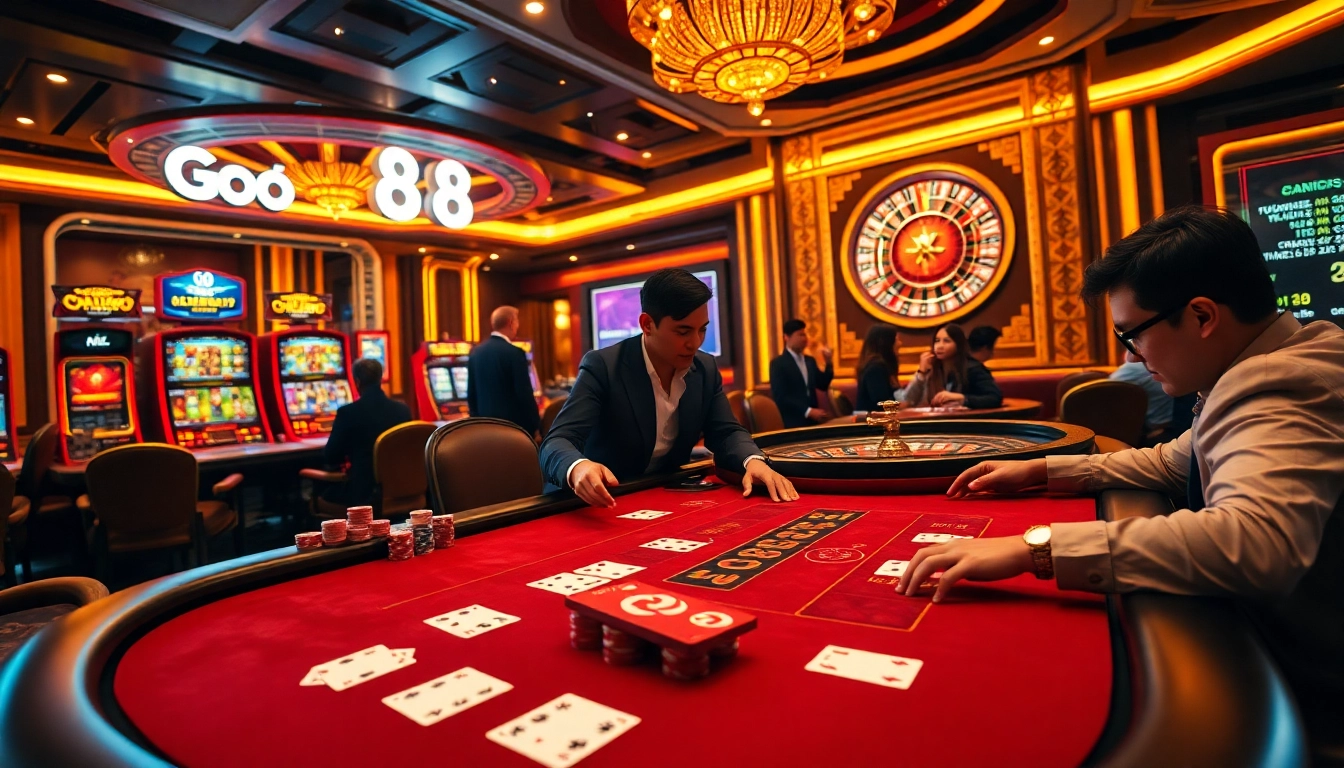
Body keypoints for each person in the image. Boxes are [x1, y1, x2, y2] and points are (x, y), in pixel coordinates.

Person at [894, 206, 1344, 762]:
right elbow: (1173, 461)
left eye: (1131, 335)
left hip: (1316, 690)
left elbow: (1256, 541)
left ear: (1202, 315)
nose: (1130, 356)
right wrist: (1041, 471)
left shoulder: (1277, 382)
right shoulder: (1272, 358)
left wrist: (1033, 548)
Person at [540, 268, 798, 507]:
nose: (695, 343)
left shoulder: (705, 368)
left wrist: (753, 460)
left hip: (659, 495)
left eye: (702, 330)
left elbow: (726, 432)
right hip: (592, 504)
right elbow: (557, 442)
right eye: (683, 331)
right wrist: (578, 467)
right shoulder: (604, 366)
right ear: (647, 324)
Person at [320, 357, 412, 508]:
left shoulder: (348, 413)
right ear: (380, 378)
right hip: (402, 490)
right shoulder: (402, 410)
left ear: (357, 382)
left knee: (318, 490)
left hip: (363, 496)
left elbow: (331, 457)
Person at [467, 306, 541, 438]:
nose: (518, 326)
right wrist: (535, 427)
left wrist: (477, 425)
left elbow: (471, 395)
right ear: (511, 323)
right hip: (513, 431)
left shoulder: (475, 353)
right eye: (517, 321)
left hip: (484, 431)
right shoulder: (515, 353)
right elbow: (524, 395)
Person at [902, 323, 1002, 409]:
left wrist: (962, 399)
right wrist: (921, 373)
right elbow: (908, 400)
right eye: (937, 341)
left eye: (946, 341)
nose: (939, 346)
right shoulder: (932, 367)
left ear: (958, 344)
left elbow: (994, 398)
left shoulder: (972, 368)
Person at [769, 319, 834, 428]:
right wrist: (808, 411)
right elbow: (781, 397)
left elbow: (823, 384)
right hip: (792, 423)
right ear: (786, 337)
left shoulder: (809, 361)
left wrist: (829, 363)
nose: (805, 339)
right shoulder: (778, 364)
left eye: (805, 335)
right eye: (800, 335)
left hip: (814, 422)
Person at [1108, 360, 1173, 441]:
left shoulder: (1132, 368)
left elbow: (1106, 390)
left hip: (1154, 433)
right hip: (1173, 424)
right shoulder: (1166, 366)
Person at [854, 323, 901, 412]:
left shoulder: (881, 366)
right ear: (886, 343)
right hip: (871, 423)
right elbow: (882, 404)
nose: (900, 343)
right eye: (896, 340)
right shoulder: (875, 368)